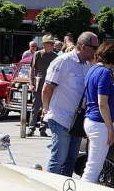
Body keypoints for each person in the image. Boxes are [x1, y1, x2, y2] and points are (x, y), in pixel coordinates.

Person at [41, 31, 98, 176]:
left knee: (71, 159)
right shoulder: (63, 61)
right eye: (94, 48)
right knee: (58, 159)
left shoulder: (87, 65)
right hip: (60, 117)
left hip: (76, 121)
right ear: (83, 47)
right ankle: (49, 187)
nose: (96, 51)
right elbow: (47, 88)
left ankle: (65, 186)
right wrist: (46, 109)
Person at [82, 40, 114, 184]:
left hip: (90, 120)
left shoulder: (93, 69)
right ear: (113, 56)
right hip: (99, 123)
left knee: (92, 166)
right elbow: (102, 104)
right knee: (93, 168)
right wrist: (110, 129)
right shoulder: (105, 73)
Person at [26, 34, 56, 137]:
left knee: (46, 107)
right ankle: (31, 127)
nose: (52, 45)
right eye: (50, 43)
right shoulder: (37, 54)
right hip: (38, 83)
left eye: (53, 43)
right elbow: (32, 70)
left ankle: (43, 128)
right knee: (35, 107)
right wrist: (31, 83)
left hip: (49, 84)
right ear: (44, 44)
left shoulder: (55, 56)